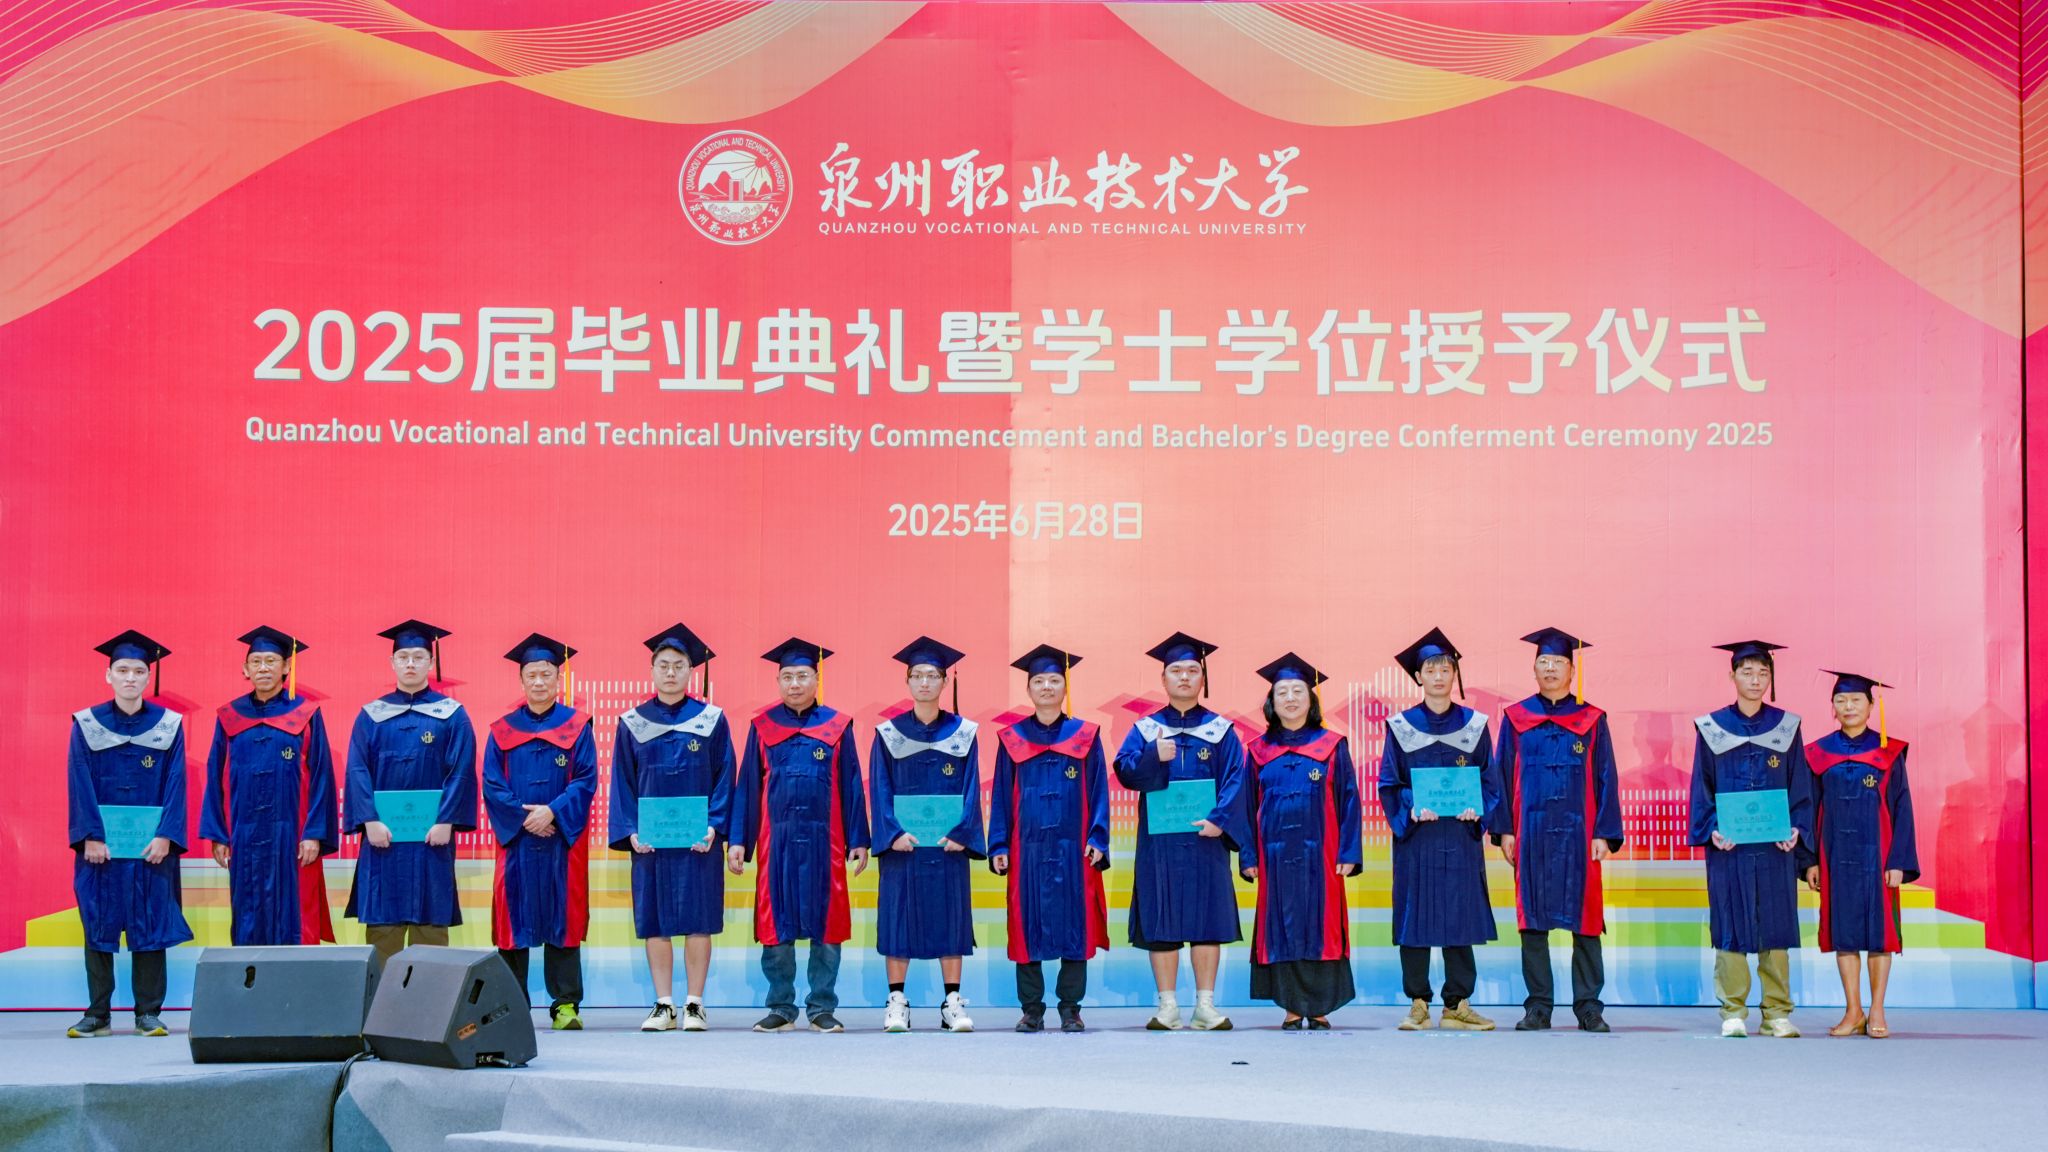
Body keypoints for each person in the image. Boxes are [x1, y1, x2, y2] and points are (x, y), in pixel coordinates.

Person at [729, 638, 871, 1033]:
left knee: (827, 924)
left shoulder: (836, 727)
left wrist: (859, 839)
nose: (795, 683)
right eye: (788, 676)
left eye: (803, 676)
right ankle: (781, 1006)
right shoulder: (763, 728)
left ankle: (821, 1007)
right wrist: (739, 840)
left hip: (826, 842)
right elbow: (748, 787)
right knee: (776, 922)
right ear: (778, 681)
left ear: (816, 679)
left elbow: (851, 785)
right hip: (777, 843)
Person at [1491, 627, 1622, 1033]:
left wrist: (1604, 832)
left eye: (1558, 662)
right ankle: (1538, 1007)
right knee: (1532, 920)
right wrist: (1504, 830)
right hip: (1530, 831)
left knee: (1586, 920)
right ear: (1534, 669)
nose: (1550, 669)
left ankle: (1589, 1007)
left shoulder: (1592, 719)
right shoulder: (1516, 719)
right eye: (1543, 662)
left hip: (1579, 834)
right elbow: (1501, 775)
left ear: (1571, 670)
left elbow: (1606, 777)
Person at [1112, 631, 1244, 1031]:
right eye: (1176, 670)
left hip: (1206, 839)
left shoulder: (1220, 730)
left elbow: (1236, 778)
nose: (1184, 677)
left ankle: (1205, 1005)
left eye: (1191, 670)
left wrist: (1220, 819)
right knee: (1161, 918)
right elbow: (1125, 772)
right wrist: (1153, 755)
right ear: (1163, 678)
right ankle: (1167, 1006)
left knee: (1207, 920)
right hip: (1161, 843)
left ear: (1202, 678)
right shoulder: (1146, 729)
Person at [65, 631, 192, 1037]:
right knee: (97, 924)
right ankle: (97, 1014)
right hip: (100, 849)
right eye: (122, 670)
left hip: (151, 849)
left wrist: (166, 835)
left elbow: (176, 783)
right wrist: (90, 835)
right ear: (109, 675)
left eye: (138, 671)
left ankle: (148, 1013)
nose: (130, 678)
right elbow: (79, 780)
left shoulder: (168, 726)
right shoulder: (87, 725)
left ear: (148, 677)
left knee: (150, 925)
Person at [609, 623, 732, 1033]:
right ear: (652, 670)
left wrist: (715, 825)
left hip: (699, 843)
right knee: (656, 920)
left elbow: (724, 776)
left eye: (679, 666)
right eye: (663, 665)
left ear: (690, 671)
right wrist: (630, 830)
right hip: (652, 844)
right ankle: (664, 1004)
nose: (670, 673)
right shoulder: (633, 723)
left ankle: (694, 1003)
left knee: (699, 919)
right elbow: (623, 781)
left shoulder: (711, 720)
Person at [1689, 640, 1815, 1038]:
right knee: (1731, 923)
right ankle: (1733, 1011)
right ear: (1732, 676)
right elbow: (1701, 787)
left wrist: (1796, 829)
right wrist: (1712, 828)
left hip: (1775, 848)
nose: (1756, 680)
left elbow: (1800, 786)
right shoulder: (1712, 729)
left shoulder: (1786, 727)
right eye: (1747, 672)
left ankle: (1776, 1012)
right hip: (1729, 848)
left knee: (1775, 925)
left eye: (1763, 673)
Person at [1379, 628, 1499, 1031]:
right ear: (1418, 676)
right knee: (1414, 918)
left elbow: (1489, 779)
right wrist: (1412, 807)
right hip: (1418, 839)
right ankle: (1418, 1003)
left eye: (1446, 669)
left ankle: (1457, 1003)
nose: (1438, 676)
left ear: (1454, 675)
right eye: (1430, 670)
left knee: (1459, 916)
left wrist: (1478, 808)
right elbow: (1389, 784)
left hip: (1459, 838)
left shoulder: (1474, 725)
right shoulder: (1402, 727)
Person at [989, 644, 1110, 1033]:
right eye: (1039, 681)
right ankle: (1032, 1008)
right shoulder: (1013, 739)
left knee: (1076, 925)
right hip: (1027, 850)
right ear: (1029, 689)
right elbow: (1002, 795)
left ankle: (1071, 1008)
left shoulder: (1085, 736)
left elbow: (1099, 790)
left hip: (1074, 849)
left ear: (1064, 687)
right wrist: (999, 844)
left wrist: (1099, 838)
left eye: (1054, 680)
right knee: (1027, 925)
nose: (1046, 687)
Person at [344, 620, 478, 970]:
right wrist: (369, 819)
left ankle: (430, 1000)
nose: (410, 664)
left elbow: (461, 770)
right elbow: (357, 769)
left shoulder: (451, 715)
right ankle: (382, 999)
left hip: (432, 838)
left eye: (418, 657)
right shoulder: (372, 716)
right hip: (382, 839)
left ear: (430, 663)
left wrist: (447, 820)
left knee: (430, 922)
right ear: (392, 663)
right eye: (403, 657)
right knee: (383, 924)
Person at [1238, 653, 1361, 1030]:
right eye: (1282, 692)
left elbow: (1349, 799)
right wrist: (1248, 856)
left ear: (1311, 700)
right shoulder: (1257, 751)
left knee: (1322, 925)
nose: (1290, 698)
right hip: (1273, 856)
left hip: (1321, 854)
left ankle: (1319, 1006)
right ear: (1271, 702)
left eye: (1298, 691)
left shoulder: (1332, 745)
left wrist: (1349, 851)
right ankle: (1291, 1006)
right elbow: (1245, 806)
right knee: (1282, 925)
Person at [869, 636, 985, 1033]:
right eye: (917, 675)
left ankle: (952, 1001)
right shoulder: (890, 733)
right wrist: (892, 833)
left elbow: (971, 788)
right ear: (907, 681)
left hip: (948, 846)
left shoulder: (963, 733)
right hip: (903, 846)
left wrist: (964, 832)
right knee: (897, 920)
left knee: (951, 919)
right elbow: (879, 786)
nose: (924, 682)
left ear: (945, 681)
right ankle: (896, 1001)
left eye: (932, 675)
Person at [482, 633, 598, 1031]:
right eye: (531, 674)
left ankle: (565, 1005)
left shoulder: (577, 727)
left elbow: (586, 779)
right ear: (521, 679)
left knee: (563, 916)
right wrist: (523, 817)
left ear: (558, 678)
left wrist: (553, 812)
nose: (538, 682)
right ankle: (512, 1005)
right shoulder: (502, 730)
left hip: (561, 842)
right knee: (512, 920)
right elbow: (492, 783)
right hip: (516, 840)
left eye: (546, 674)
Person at [200, 626, 338, 946]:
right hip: (244, 834)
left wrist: (314, 834)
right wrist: (219, 835)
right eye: (256, 662)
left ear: (286, 667)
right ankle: (250, 976)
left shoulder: (305, 714)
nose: (263, 668)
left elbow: (321, 777)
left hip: (293, 836)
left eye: (271, 661)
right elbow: (215, 776)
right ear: (245, 669)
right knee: (248, 911)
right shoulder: (230, 718)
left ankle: (297, 979)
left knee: (297, 913)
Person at [1804, 669, 1917, 1039]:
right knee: (1844, 932)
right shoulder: (1818, 754)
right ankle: (1853, 1011)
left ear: (1871, 706)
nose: (1848, 706)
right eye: (1841, 700)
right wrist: (1809, 861)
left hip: (1878, 856)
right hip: (1834, 855)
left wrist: (1899, 861)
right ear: (1832, 707)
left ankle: (1877, 1008)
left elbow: (1902, 808)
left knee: (1880, 933)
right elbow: (1809, 810)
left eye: (1856, 700)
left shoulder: (1889, 752)